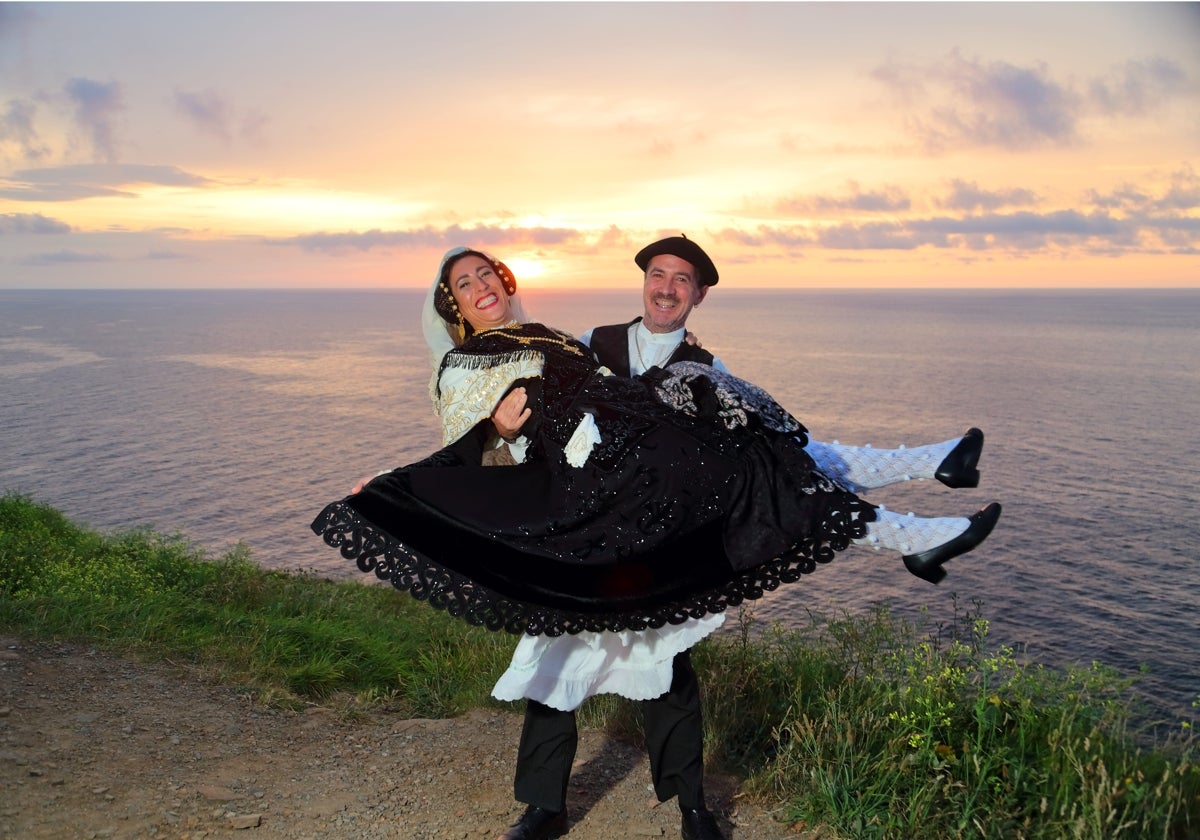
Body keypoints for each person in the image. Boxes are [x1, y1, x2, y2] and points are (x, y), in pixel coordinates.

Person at [311, 246, 1001, 840]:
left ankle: (693, 807)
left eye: (486, 272)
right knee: (554, 671)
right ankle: (541, 809)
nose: (482, 286)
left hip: (645, 513)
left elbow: (598, 399)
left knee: (683, 635)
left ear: (695, 297)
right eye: (465, 283)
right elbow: (472, 454)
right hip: (580, 523)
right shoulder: (512, 356)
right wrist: (479, 438)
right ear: (453, 304)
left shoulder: (581, 343)